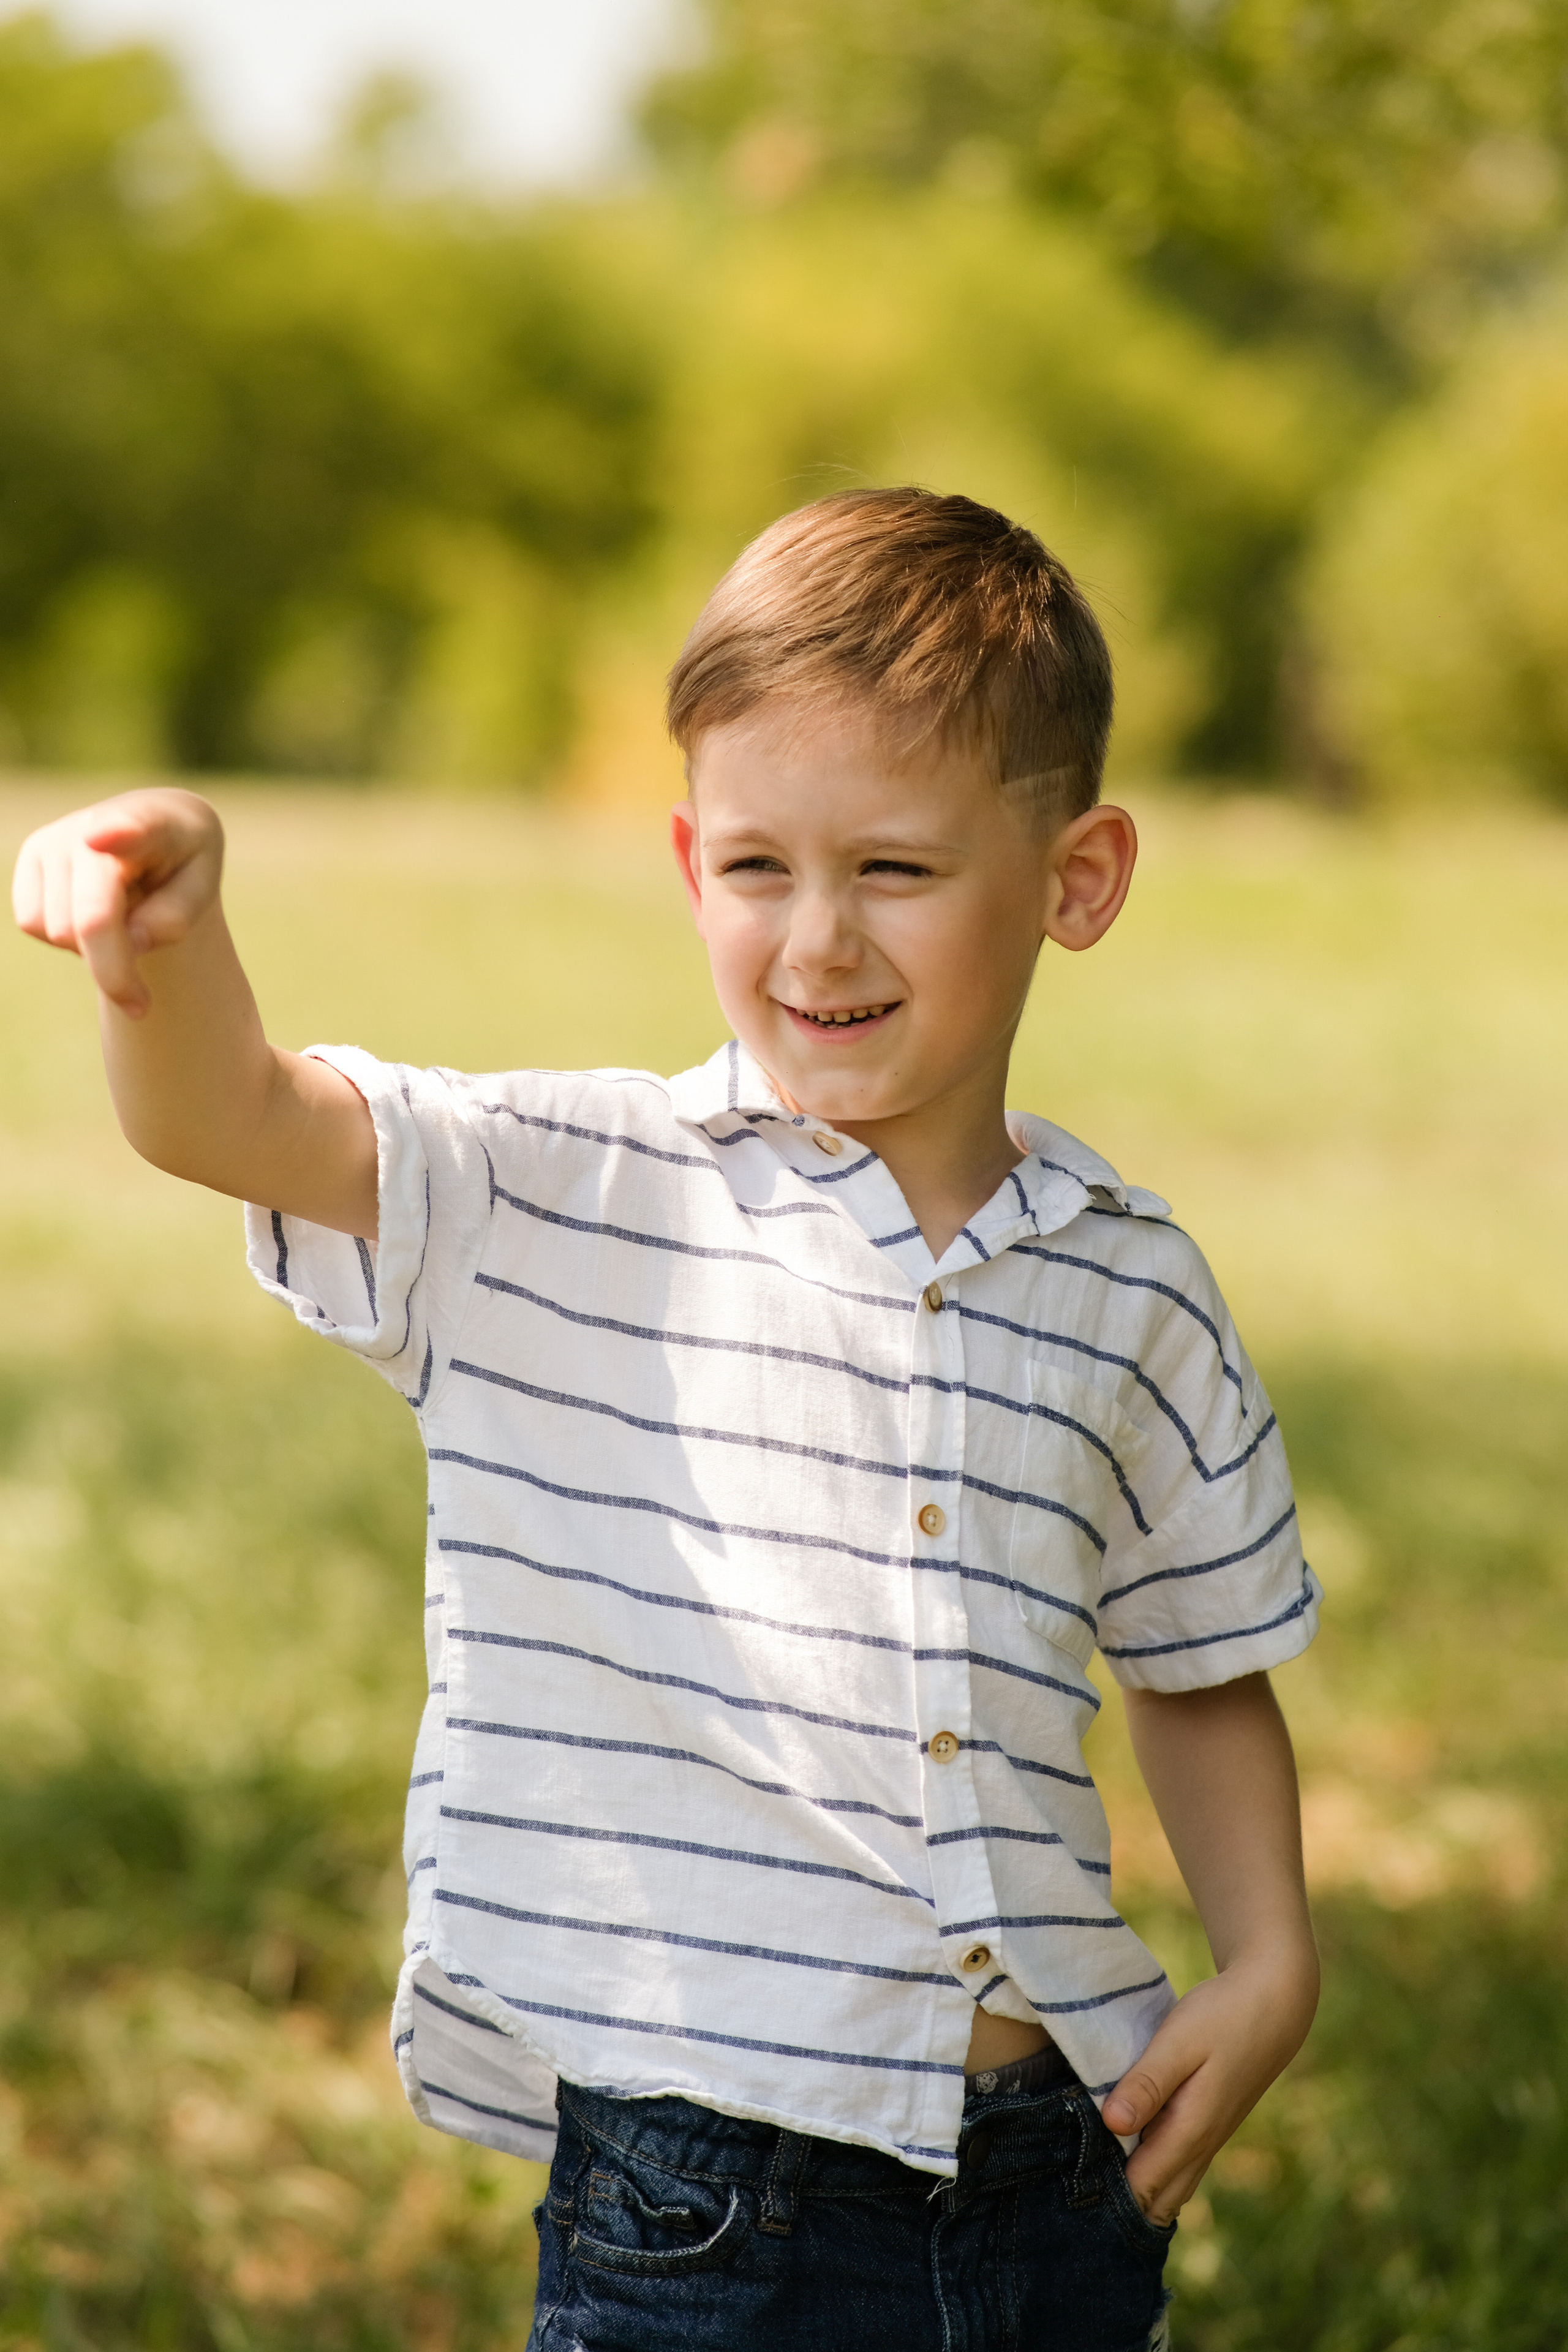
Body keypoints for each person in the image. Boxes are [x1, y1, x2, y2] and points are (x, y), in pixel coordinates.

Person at [12, 488, 1320, 2351]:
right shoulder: (570, 1191)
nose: (819, 938)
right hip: (705, 2204)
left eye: (897, 869)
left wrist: (1270, 1953)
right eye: (759, 869)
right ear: (690, 861)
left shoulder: (1130, 1282)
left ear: (1079, 877)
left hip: (1050, 2181)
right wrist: (173, 931)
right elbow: (236, 1117)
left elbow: (1198, 1656)